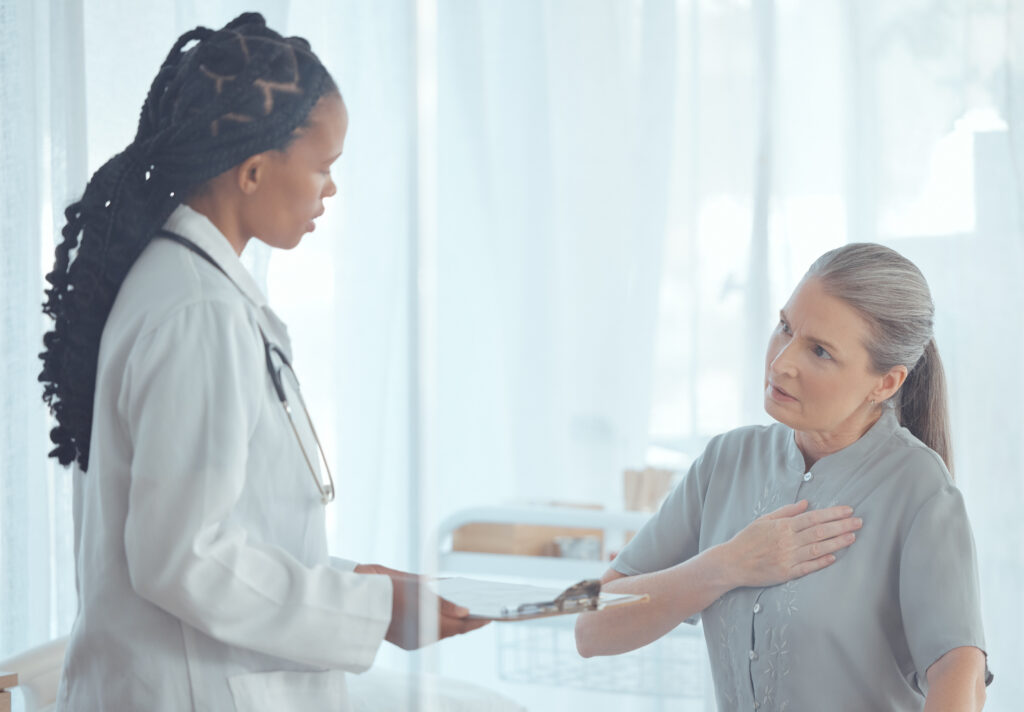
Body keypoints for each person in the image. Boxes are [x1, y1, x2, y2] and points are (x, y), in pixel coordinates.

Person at [39, 14, 485, 711]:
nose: (330, 191)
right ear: (253, 171)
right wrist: (371, 611)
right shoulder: (199, 314)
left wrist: (359, 586)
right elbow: (184, 559)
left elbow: (215, 535)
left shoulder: (193, 291)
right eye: (323, 167)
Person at [576, 243, 991, 711]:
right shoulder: (726, 461)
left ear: (887, 383)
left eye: (819, 351)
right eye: (785, 327)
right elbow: (591, 626)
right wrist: (727, 564)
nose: (781, 362)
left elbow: (960, 671)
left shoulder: (918, 489)